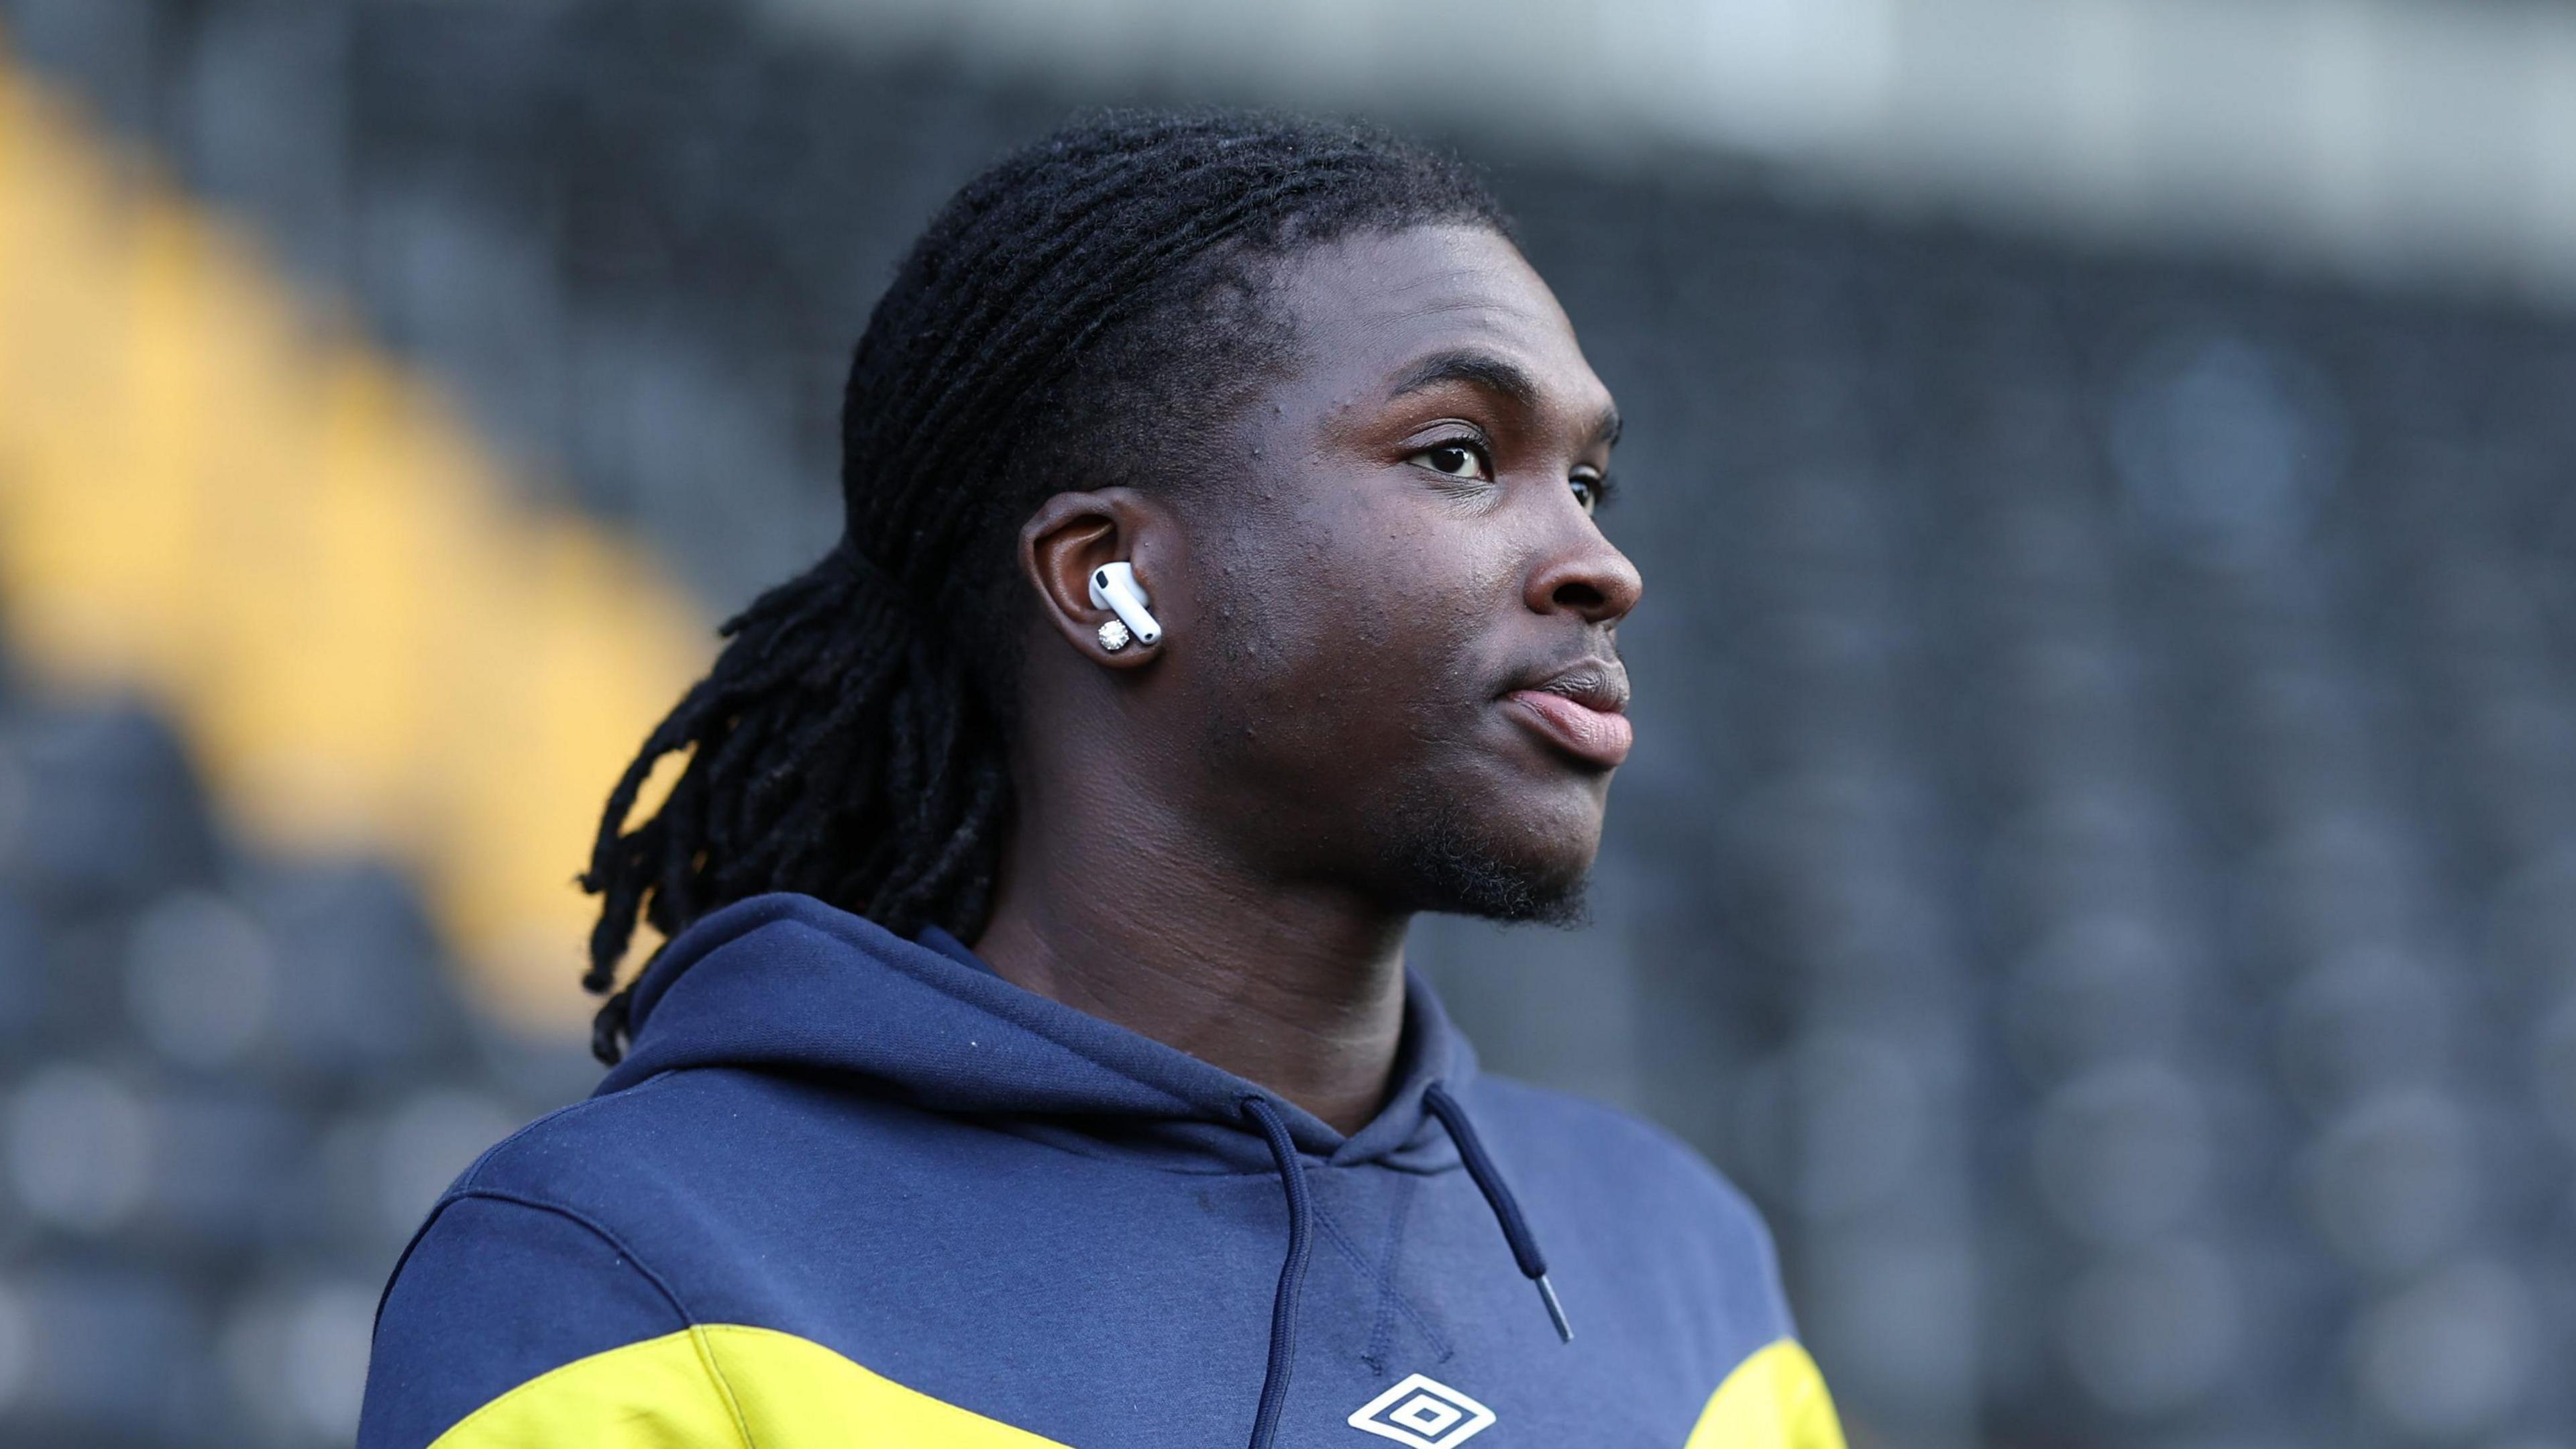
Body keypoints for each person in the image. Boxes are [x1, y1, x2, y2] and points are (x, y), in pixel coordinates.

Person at [358, 110, 1845, 1449]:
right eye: (1458, 456)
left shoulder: (1685, 1267)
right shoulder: (633, 1267)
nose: (1603, 566)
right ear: (1110, 577)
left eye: (1588, 483)